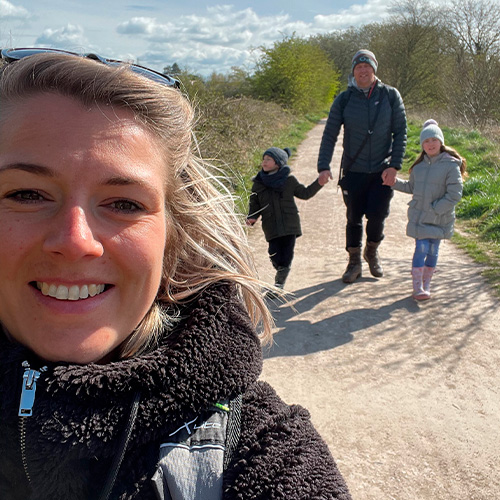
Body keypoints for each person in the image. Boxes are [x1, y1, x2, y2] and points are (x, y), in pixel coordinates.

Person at [0, 48, 352, 500]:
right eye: (27, 194)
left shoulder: (267, 454)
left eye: (125, 203)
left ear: (174, 238)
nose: (75, 240)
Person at [317, 49, 407, 283]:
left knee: (378, 217)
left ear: (374, 69)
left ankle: (372, 251)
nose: (363, 70)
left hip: (382, 170)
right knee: (353, 218)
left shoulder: (390, 96)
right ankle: (354, 262)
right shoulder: (344, 99)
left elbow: (401, 133)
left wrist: (394, 166)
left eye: (367, 66)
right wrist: (323, 166)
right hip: (353, 170)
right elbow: (330, 134)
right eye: (358, 67)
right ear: (354, 71)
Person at [386, 119, 466, 300]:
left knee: (432, 251)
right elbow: (411, 188)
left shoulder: (451, 165)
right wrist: (393, 183)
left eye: (434, 140)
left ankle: (427, 283)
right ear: (422, 144)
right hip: (420, 217)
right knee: (421, 248)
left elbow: (455, 194)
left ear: (441, 142)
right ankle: (417, 288)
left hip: (440, 218)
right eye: (426, 141)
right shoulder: (418, 167)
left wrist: (436, 208)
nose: (430, 144)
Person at [246, 147, 328, 295]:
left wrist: (319, 183)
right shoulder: (258, 183)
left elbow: (305, 193)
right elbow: (254, 203)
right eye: (264, 159)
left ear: (278, 163)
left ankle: (279, 285)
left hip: (290, 225)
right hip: (271, 226)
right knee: (274, 255)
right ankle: (281, 273)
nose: (264, 162)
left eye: (268, 159)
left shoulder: (289, 180)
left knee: (286, 255)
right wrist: (252, 216)